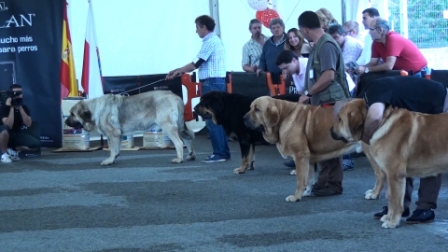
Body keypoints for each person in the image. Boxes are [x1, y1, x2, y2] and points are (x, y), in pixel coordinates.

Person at [363, 76, 446, 224]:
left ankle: (425, 207)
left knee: (431, 155)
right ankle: (400, 207)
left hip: (440, 101)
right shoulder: (375, 88)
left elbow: (375, 116)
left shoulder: (372, 89)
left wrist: (366, 139)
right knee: (399, 163)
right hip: (420, 106)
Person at [297, 11, 350, 196]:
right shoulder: (319, 45)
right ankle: (324, 181)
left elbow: (328, 76)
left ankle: (332, 183)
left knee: (330, 142)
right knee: (325, 141)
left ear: (304, 29)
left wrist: (307, 94)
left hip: (331, 100)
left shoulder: (326, 45)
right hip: (323, 100)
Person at [165, 15, 230, 163]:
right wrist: (178, 70)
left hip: (211, 83)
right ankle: (223, 152)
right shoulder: (215, 40)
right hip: (216, 82)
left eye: (197, 28)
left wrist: (178, 71)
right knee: (217, 118)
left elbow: (196, 63)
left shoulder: (210, 42)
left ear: (203, 27)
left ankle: (219, 153)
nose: (196, 31)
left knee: (210, 118)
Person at [356, 17, 427, 76]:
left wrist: (366, 70)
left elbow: (389, 66)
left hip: (418, 73)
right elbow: (373, 63)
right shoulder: (376, 42)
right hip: (403, 74)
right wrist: (358, 69)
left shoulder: (393, 39)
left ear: (380, 30)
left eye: (371, 29)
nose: (369, 32)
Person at [0, 84, 40, 163]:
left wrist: (20, 108)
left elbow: (28, 124)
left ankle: (13, 150)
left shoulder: (24, 107)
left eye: (19, 93)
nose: (18, 95)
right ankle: (4, 154)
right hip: (3, 134)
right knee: (4, 130)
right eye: (15, 93)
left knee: (35, 145)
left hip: (16, 134)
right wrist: (11, 108)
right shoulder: (4, 107)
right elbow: (8, 126)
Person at [256, 18, 286, 84]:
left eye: (278, 27)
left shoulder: (289, 40)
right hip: (271, 78)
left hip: (287, 77)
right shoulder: (267, 43)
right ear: (271, 30)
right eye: (273, 28)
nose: (276, 30)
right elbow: (263, 59)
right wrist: (261, 68)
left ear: (283, 28)